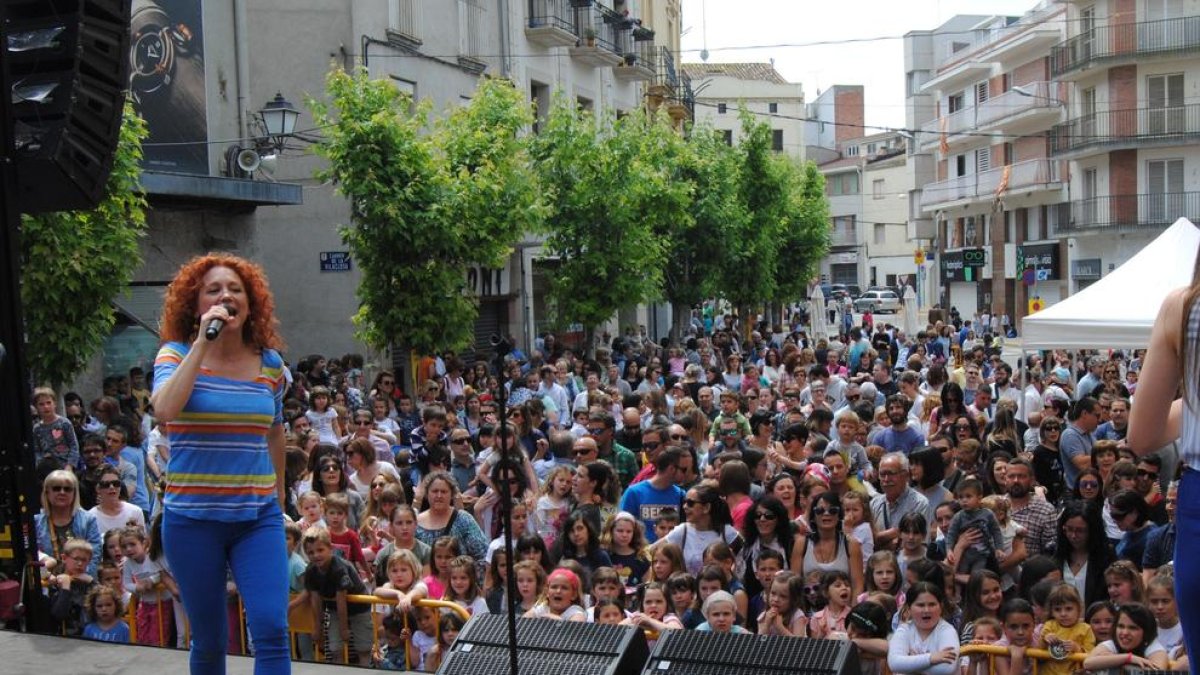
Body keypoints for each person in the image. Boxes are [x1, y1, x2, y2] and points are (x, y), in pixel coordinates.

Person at [150, 253, 290, 673]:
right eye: (213, 290)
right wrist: (201, 344)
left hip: (257, 518)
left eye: (235, 289)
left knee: (270, 628)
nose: (225, 295)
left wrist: (279, 501)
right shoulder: (174, 355)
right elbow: (164, 410)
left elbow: (275, 430)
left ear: (250, 303)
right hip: (193, 521)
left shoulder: (271, 364)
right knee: (210, 639)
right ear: (196, 305)